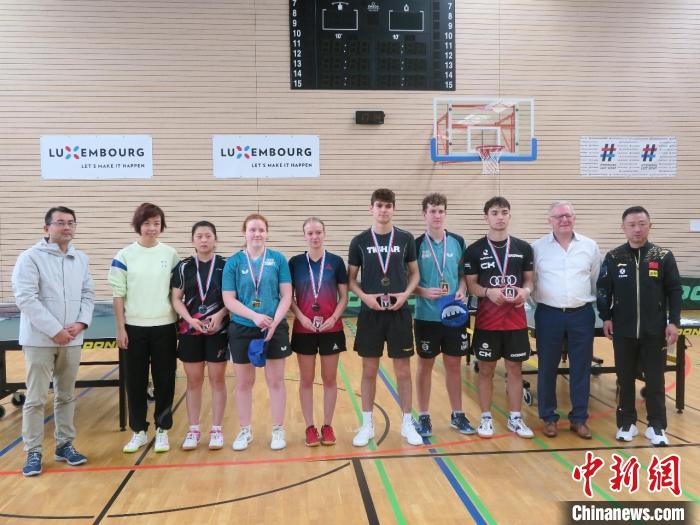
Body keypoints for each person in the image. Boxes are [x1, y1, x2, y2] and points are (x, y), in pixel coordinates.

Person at [11, 206, 95, 477]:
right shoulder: (29, 258)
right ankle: (33, 451)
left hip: (72, 339)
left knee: (66, 395)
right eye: (60, 222)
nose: (67, 227)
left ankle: (64, 445)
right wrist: (54, 330)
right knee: (36, 398)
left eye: (71, 222)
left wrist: (81, 323)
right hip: (40, 340)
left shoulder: (80, 258)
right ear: (46, 228)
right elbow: (25, 298)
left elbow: (88, 294)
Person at [596, 206, 681, 446]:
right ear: (623, 228)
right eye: (632, 225)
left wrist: (673, 322)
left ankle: (656, 425)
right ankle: (627, 423)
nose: (637, 229)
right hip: (623, 331)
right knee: (625, 379)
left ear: (650, 226)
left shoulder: (663, 256)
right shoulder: (614, 257)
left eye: (642, 224)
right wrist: (606, 317)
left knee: (655, 380)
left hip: (654, 332)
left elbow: (674, 291)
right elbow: (603, 290)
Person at [348, 188, 423, 447]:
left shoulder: (405, 238)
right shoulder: (359, 241)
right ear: (371, 208)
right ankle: (367, 424)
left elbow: (415, 273)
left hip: (399, 312)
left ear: (394, 209)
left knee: (403, 371)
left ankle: (407, 423)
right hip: (370, 313)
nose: (383, 210)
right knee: (369, 370)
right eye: (379, 205)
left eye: (388, 206)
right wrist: (365, 297)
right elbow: (350, 280)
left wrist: (406, 294)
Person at [108, 203, 180, 454]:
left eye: (156, 223)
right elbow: (118, 295)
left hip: (165, 327)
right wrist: (121, 328)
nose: (152, 228)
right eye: (147, 223)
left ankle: (162, 430)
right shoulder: (124, 256)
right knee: (135, 382)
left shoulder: (171, 254)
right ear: (138, 225)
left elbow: (176, 293)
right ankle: (138, 430)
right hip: (134, 328)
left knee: (165, 380)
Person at [464, 196, 535, 439]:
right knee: (486, 370)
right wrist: (488, 292)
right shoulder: (474, 250)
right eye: (494, 213)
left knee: (515, 369)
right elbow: (471, 285)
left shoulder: (523, 248)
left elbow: (529, 280)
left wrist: (525, 292)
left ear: (510, 215)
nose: (500, 217)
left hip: (516, 321)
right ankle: (486, 418)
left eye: (504, 212)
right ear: (486, 217)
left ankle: (515, 418)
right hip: (488, 322)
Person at [222, 214, 293, 451]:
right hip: (243, 328)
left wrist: (274, 322)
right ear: (244, 232)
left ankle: (278, 429)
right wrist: (254, 316)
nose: (257, 234)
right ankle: (245, 430)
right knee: (244, 382)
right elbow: (228, 299)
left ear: (267, 233)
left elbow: (287, 295)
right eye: (252, 229)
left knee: (276, 381)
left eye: (261, 229)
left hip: (274, 327)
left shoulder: (278, 259)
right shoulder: (233, 262)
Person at [532, 201, 601, 439]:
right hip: (548, 314)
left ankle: (579, 419)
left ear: (574, 218)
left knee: (581, 368)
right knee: (547, 367)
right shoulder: (537, 247)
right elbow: (532, 281)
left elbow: (595, 280)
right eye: (559, 216)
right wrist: (541, 303)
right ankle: (548, 418)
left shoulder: (590, 246)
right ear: (549, 220)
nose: (564, 220)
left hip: (581, 314)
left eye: (568, 215)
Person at [413, 193, 475, 437]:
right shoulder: (416, 244)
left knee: (453, 365)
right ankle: (424, 416)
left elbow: (463, 275)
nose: (437, 215)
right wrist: (422, 291)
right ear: (424, 214)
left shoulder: (458, 241)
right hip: (426, 316)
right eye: (432, 211)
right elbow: (408, 280)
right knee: (425, 365)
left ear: (445, 213)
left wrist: (462, 289)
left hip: (454, 315)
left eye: (440, 211)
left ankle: (457, 414)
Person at [289, 217, 349, 446]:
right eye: (310, 233)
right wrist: (301, 317)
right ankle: (309, 427)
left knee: (330, 379)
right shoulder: (295, 263)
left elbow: (344, 297)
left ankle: (327, 425)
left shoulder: (336, 262)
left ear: (324, 233)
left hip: (331, 329)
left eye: (318, 232)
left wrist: (333, 318)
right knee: (306, 379)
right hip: (303, 329)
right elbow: (289, 297)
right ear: (304, 236)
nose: (314, 237)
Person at [171, 221, 229, 450]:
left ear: (215, 239)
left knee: (217, 380)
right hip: (190, 331)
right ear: (192, 240)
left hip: (218, 331)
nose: (204, 240)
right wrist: (189, 319)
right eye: (199, 236)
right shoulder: (184, 267)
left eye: (208, 236)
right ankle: (193, 430)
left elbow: (232, 297)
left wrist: (220, 315)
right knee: (194, 381)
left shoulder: (226, 265)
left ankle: (217, 430)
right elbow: (176, 298)